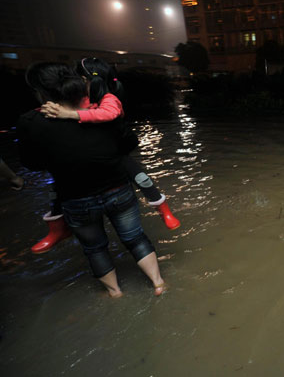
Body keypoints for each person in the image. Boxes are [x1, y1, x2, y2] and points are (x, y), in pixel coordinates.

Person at [18, 62, 166, 297]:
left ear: (41, 92)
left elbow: (31, 163)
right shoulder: (101, 111)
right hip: (118, 189)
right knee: (135, 237)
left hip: (76, 198)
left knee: (95, 248)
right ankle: (158, 282)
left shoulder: (30, 122)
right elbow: (129, 143)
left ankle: (115, 292)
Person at [30, 57, 180, 255]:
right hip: (88, 155)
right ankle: (57, 229)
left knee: (140, 177)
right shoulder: (78, 98)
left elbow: (107, 114)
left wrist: (70, 114)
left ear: (89, 79)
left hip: (114, 151)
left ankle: (164, 211)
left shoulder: (109, 98)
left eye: (79, 77)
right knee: (59, 186)